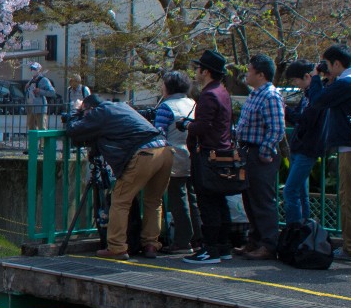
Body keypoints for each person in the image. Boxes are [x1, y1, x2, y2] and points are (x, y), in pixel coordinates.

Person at [67, 94, 171, 258]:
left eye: (85, 112)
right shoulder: (120, 106)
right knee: (153, 201)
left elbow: (74, 130)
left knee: (120, 200)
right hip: (164, 149)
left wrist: (75, 111)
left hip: (144, 154)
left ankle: (117, 247)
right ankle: (151, 244)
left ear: (91, 109)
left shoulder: (100, 112)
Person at [315, 45, 351, 263]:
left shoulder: (346, 83)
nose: (326, 70)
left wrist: (315, 78)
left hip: (350, 148)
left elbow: (319, 100)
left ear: (337, 64)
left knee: (350, 198)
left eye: (327, 65)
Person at [233, 55, 286, 258]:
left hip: (259, 154)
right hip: (248, 151)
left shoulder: (270, 96)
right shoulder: (256, 94)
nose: (246, 74)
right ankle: (254, 241)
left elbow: (277, 128)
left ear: (260, 74)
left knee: (263, 200)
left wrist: (264, 151)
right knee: (250, 198)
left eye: (249, 70)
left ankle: (269, 244)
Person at [186, 49, 235, 263]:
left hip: (207, 154)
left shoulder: (208, 94)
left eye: (198, 68)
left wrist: (187, 125)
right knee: (219, 199)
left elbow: (203, 126)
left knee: (207, 201)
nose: (196, 71)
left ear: (205, 71)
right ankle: (224, 246)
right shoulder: (222, 91)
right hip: (222, 152)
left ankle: (210, 248)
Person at [151, 71, 196, 252]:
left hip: (173, 156)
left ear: (169, 86)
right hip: (192, 155)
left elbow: (159, 134)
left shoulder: (166, 107)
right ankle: (198, 238)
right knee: (192, 199)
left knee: (178, 200)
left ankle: (182, 241)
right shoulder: (192, 103)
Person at [283, 61, 327, 227]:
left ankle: (295, 231)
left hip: (307, 149)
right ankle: (304, 230)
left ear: (307, 77)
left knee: (290, 191)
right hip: (301, 148)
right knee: (301, 193)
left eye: (296, 80)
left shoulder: (316, 96)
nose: (296, 85)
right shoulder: (308, 95)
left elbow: (305, 121)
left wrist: (285, 110)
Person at [23, 63, 57, 132]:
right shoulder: (31, 80)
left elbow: (52, 92)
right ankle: (32, 142)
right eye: (31, 69)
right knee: (31, 128)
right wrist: (26, 88)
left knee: (42, 128)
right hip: (30, 107)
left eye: (34, 69)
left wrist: (40, 91)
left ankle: (43, 143)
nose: (32, 70)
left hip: (40, 107)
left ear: (38, 70)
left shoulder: (44, 80)